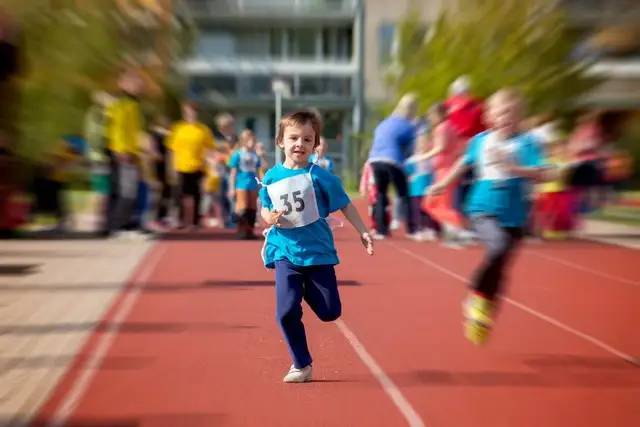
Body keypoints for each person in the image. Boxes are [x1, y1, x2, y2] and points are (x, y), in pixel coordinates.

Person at [259, 110, 374, 383]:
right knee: (285, 312)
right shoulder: (272, 176)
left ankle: (305, 290)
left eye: (307, 139)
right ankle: (301, 364)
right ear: (281, 142)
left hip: (318, 254)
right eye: (294, 138)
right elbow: (264, 207)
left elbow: (345, 204)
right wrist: (269, 216)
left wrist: (363, 231)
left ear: (314, 145)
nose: (299, 144)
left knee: (329, 312)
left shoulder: (319, 176)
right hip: (285, 251)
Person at [428, 89, 549, 345]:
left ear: (520, 116)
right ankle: (475, 297)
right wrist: (444, 184)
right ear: (490, 115)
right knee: (498, 247)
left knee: (501, 264)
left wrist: (514, 168)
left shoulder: (527, 143)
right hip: (483, 208)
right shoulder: (480, 141)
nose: (507, 117)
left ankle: (483, 307)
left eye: (513, 113)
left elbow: (542, 173)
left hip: (515, 213)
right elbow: (464, 164)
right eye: (501, 112)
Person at [366, 93, 418, 239]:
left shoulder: (384, 122)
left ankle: (382, 230)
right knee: (404, 194)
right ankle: (412, 229)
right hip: (393, 160)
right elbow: (409, 150)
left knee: (381, 193)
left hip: (375, 159)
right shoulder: (409, 125)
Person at [105, 69, 145, 237]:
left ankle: (124, 224)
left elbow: (134, 131)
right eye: (134, 82)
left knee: (129, 190)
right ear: (123, 84)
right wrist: (122, 151)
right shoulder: (120, 104)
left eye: (139, 83)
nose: (138, 85)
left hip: (132, 152)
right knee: (125, 191)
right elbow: (118, 129)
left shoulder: (134, 104)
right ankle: (118, 226)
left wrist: (137, 151)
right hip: (123, 152)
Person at [166, 101, 216, 229]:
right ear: (184, 113)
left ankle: (195, 222)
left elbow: (210, 150)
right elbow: (171, 150)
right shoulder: (177, 129)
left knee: (197, 195)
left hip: (198, 167)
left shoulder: (203, 130)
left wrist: (210, 168)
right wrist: (171, 168)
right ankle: (181, 220)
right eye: (188, 112)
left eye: (193, 112)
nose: (191, 114)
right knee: (180, 195)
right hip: (180, 167)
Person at [228, 129, 262, 239]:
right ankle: (240, 231)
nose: (252, 142)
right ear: (244, 141)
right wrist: (231, 188)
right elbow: (233, 173)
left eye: (253, 140)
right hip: (241, 185)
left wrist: (259, 184)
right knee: (242, 209)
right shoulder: (237, 154)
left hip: (252, 185)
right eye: (250, 140)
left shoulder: (255, 155)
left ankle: (249, 232)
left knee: (252, 209)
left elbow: (257, 171)